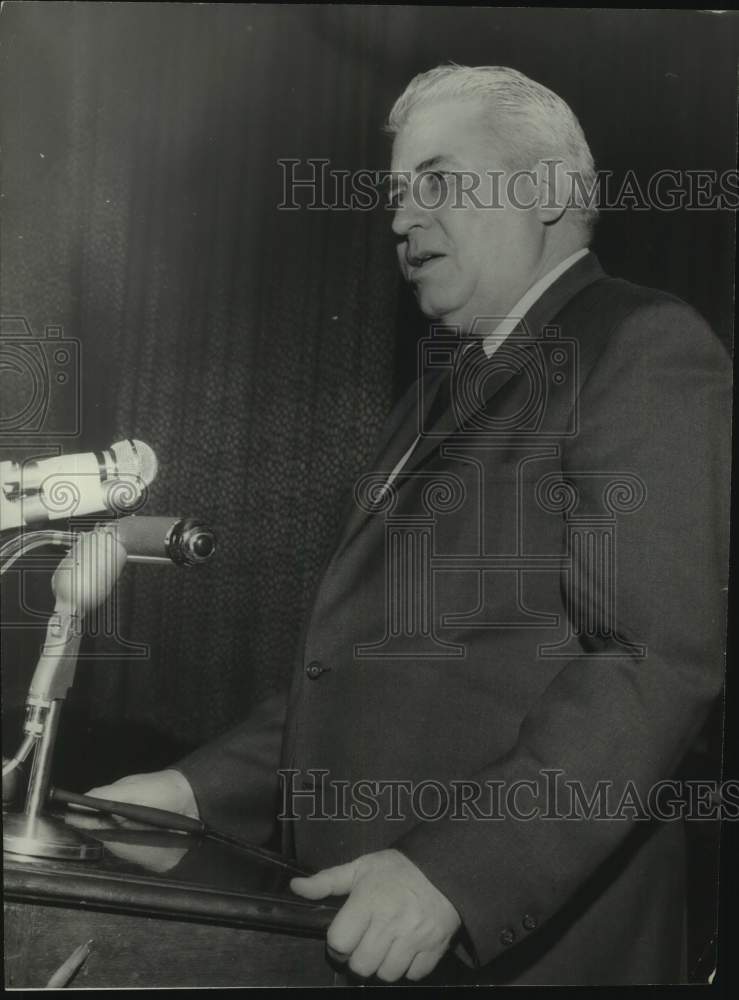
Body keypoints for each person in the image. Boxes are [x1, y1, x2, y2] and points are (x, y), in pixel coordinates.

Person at [79, 66, 731, 985]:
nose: (398, 220)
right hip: (363, 940)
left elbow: (651, 662)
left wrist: (456, 875)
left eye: (437, 182)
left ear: (543, 191)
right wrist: (193, 794)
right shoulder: (436, 395)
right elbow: (362, 672)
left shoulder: (641, 347)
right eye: (394, 195)